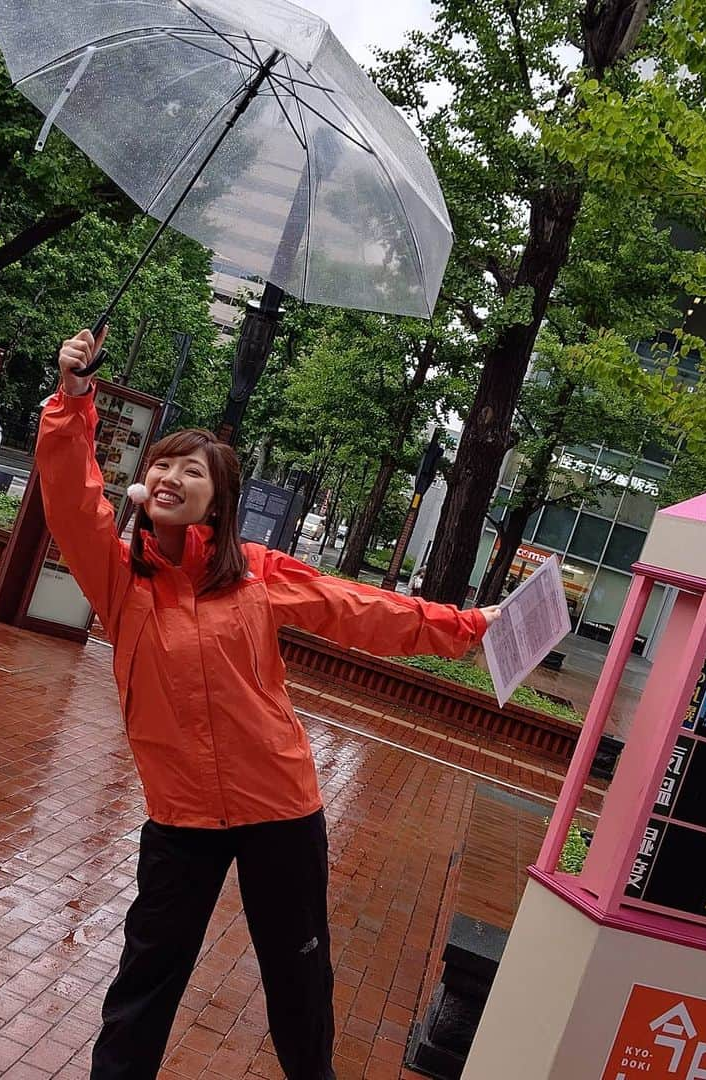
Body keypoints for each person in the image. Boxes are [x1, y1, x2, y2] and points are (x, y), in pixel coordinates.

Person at [37, 329, 502, 1080]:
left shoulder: (255, 574)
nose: (170, 476)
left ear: (218, 498)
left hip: (280, 811)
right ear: (142, 484)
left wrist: (469, 628)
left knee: (297, 979)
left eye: (193, 470)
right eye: (162, 464)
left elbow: (361, 609)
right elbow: (68, 495)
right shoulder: (121, 580)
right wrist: (74, 399)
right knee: (146, 982)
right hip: (181, 817)